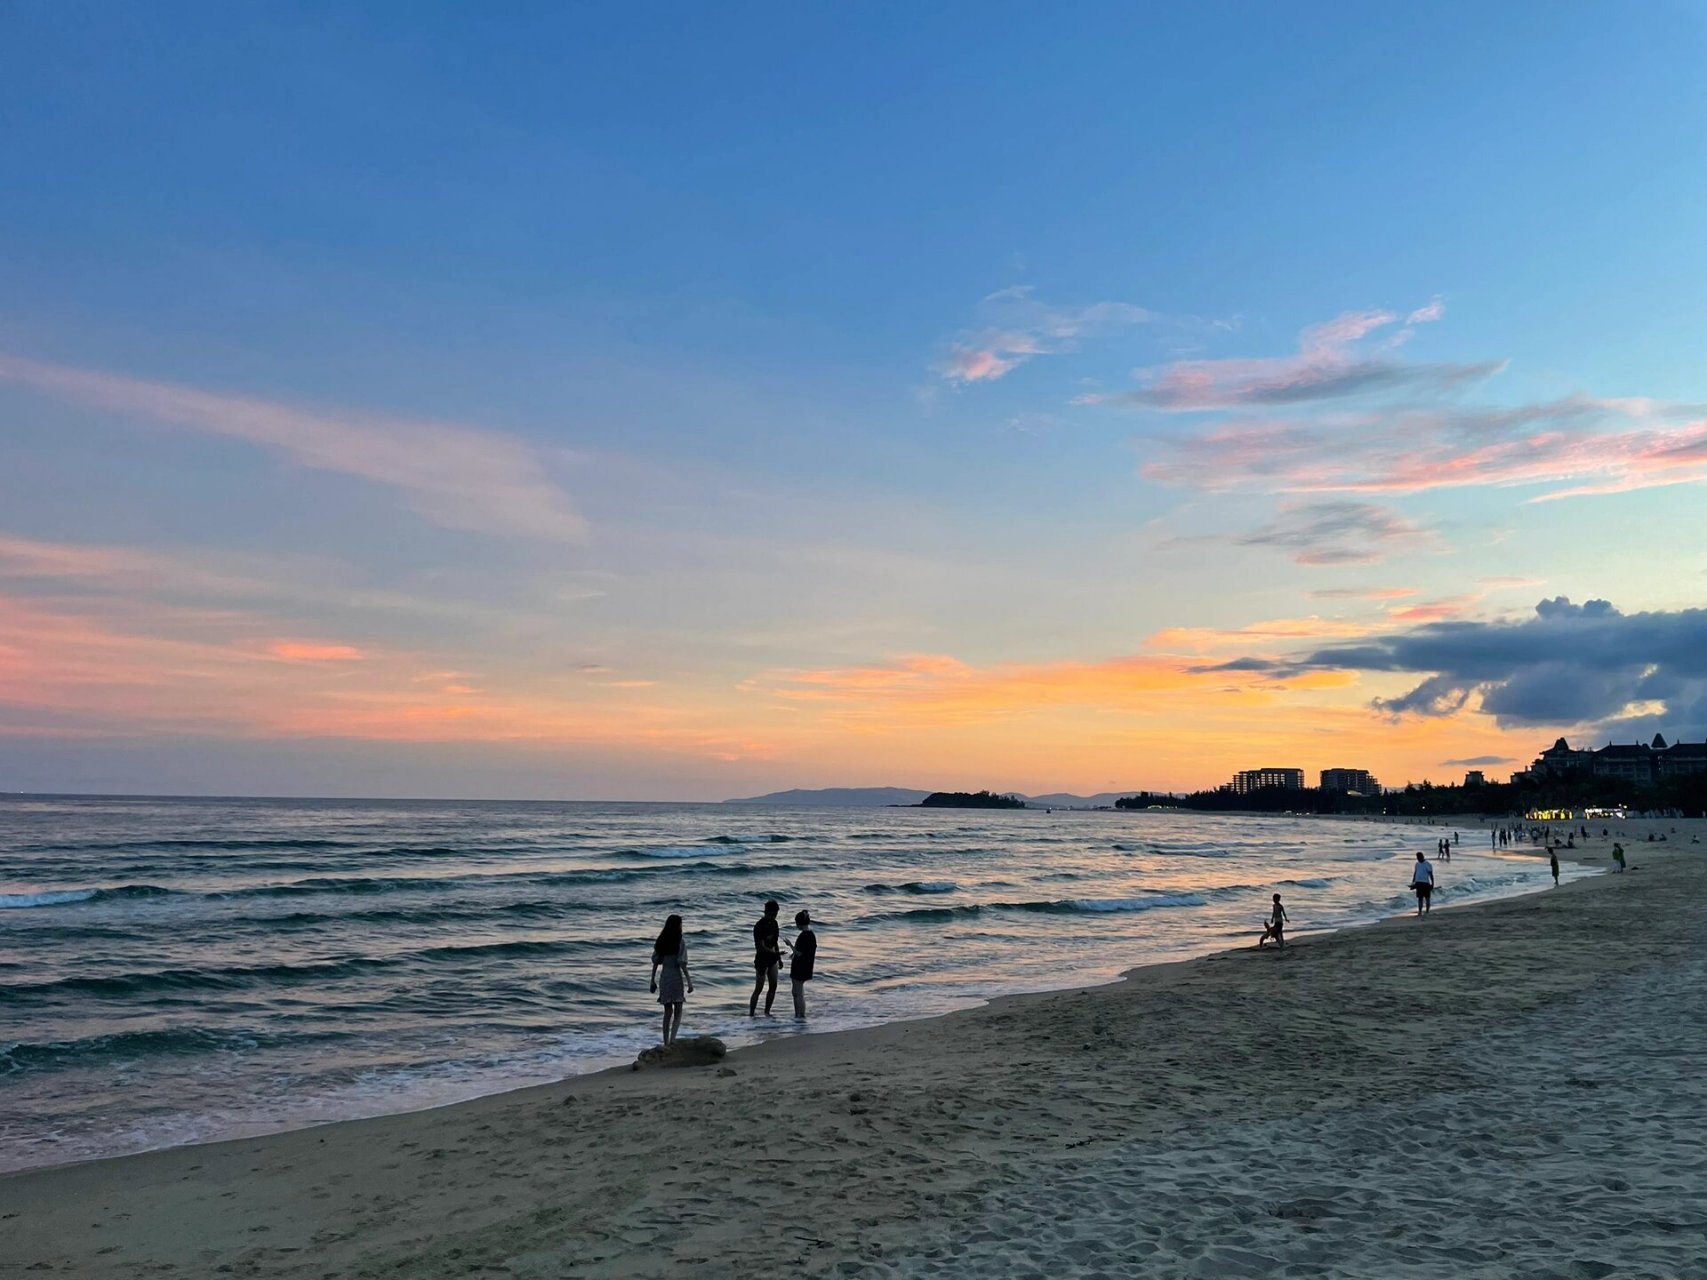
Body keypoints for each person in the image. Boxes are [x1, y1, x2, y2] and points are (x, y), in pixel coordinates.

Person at [649, 913, 693, 1047]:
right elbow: (682, 964)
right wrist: (689, 982)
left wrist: (652, 980)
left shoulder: (661, 941)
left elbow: (656, 962)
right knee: (678, 1010)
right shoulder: (680, 941)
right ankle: (673, 1039)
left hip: (664, 977)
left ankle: (665, 1041)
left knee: (667, 1012)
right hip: (675, 976)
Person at [749, 899, 783, 1016]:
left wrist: (779, 958)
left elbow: (775, 942)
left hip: (773, 958)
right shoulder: (759, 926)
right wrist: (775, 953)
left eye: (775, 914)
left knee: (773, 986)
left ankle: (767, 1012)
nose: (773, 917)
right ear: (766, 912)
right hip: (762, 959)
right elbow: (760, 947)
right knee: (759, 988)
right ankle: (751, 1014)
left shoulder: (775, 924)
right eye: (771, 914)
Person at [788, 909, 817, 1019]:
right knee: (798, 993)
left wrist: (790, 945)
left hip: (799, 967)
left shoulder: (803, 936)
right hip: (807, 966)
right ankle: (801, 1016)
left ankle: (799, 1015)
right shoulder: (811, 935)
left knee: (797, 994)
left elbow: (799, 953)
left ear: (799, 923)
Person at [1411, 851, 1435, 916]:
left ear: (1422, 856)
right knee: (1420, 898)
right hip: (1418, 883)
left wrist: (1432, 884)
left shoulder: (1428, 864)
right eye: (1417, 857)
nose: (1418, 859)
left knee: (1427, 898)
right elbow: (1415, 873)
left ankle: (1427, 911)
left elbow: (1431, 875)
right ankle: (1420, 911)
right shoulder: (1417, 864)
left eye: (1419, 857)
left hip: (1425, 883)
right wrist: (1413, 883)